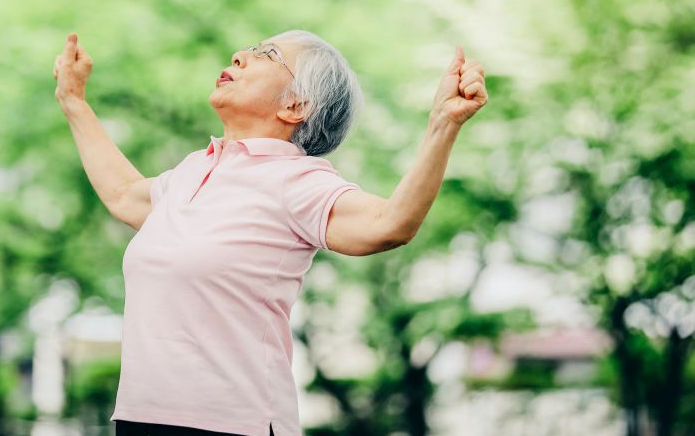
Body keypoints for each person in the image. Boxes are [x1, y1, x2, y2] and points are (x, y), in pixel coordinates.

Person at [53, 30, 488, 436]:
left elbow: (388, 225)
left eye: (268, 55)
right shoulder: (192, 171)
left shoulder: (296, 181)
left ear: (295, 107)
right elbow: (125, 194)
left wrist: (443, 125)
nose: (240, 55)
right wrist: (74, 100)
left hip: (233, 425)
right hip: (138, 418)